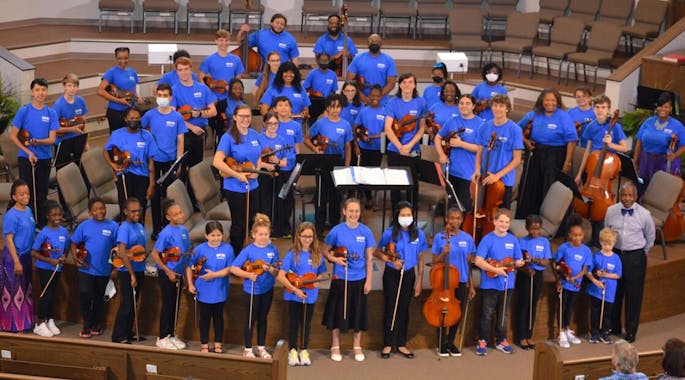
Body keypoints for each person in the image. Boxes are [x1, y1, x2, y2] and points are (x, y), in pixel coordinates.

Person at [322, 198, 375, 362]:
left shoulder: (366, 231)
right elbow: (325, 250)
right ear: (344, 211)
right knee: (338, 310)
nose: (354, 214)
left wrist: (369, 281)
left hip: (359, 278)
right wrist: (334, 259)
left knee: (358, 311)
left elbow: (370, 258)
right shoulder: (337, 231)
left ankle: (357, 345)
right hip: (340, 277)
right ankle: (335, 344)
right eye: (351, 211)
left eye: (357, 211)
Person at [213, 104, 269, 253]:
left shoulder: (254, 134)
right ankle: (236, 254)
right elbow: (217, 162)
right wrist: (237, 175)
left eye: (248, 116)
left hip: (254, 186)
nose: (245, 119)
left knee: (252, 222)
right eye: (242, 116)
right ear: (235, 117)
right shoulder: (228, 137)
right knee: (239, 224)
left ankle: (250, 253)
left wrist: (257, 170)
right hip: (234, 188)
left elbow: (259, 157)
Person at [604, 182, 655, 343]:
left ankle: (631, 331)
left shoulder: (645, 214)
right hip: (616, 255)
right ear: (620, 196)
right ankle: (614, 326)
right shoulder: (611, 211)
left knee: (634, 295)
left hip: (635, 258)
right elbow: (607, 231)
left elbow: (650, 238)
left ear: (635, 197)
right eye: (624, 195)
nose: (626, 198)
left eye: (630, 195)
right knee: (615, 291)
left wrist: (640, 254)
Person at [516, 88, 577, 219]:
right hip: (536, 153)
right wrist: (526, 141)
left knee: (550, 189)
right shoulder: (533, 114)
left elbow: (572, 141)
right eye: (547, 100)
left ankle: (549, 222)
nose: (550, 103)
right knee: (532, 187)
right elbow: (517, 129)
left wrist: (568, 162)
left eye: (553, 100)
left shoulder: (564, 116)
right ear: (541, 101)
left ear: (558, 102)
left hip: (556, 156)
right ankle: (529, 219)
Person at [375, 201, 426, 359]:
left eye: (408, 215)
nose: (406, 217)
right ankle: (388, 344)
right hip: (392, 274)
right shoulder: (389, 233)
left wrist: (419, 281)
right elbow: (378, 252)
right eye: (403, 215)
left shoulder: (419, 234)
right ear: (397, 216)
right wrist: (391, 261)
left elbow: (421, 257)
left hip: (409, 274)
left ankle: (402, 344)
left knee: (404, 309)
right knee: (391, 307)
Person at [474, 208, 524, 356]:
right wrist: (496, 270)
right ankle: (482, 340)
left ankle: (501, 340)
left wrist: (520, 263)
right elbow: (478, 261)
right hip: (489, 284)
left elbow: (517, 260)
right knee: (487, 313)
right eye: (501, 221)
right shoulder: (487, 239)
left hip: (507, 284)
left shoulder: (513, 240)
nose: (504, 224)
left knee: (503, 314)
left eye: (507, 222)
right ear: (495, 222)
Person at [276, 222, 327, 366]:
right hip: (294, 295)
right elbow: (281, 276)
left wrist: (319, 280)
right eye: (304, 236)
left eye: (310, 236)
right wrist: (295, 290)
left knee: (306, 324)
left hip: (310, 295)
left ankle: (304, 350)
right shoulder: (292, 254)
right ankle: (292, 350)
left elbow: (322, 273)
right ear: (298, 236)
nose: (307, 239)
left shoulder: (317, 255)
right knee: (293, 323)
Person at [9, 77, 58, 228]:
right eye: (37, 90)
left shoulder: (51, 113)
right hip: (26, 158)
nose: (40, 93)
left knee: (41, 192)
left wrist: (38, 141)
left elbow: (51, 139)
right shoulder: (24, 111)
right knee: (26, 193)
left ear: (47, 92)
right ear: (32, 92)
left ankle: (40, 223)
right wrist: (28, 151)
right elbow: (13, 135)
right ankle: (26, 222)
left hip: (44, 157)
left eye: (43, 90)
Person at [230, 213, 280, 359]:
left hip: (267, 289)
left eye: (266, 234)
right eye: (260, 234)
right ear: (254, 234)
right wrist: (248, 275)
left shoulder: (273, 250)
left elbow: (276, 271)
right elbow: (234, 268)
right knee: (250, 319)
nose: (264, 237)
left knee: (263, 318)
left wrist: (271, 269)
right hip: (252, 290)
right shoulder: (248, 250)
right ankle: (247, 348)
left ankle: (261, 347)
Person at [141, 83, 187, 239]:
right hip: (155, 161)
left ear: (170, 97)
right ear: (156, 96)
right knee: (155, 195)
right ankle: (156, 227)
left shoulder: (177, 117)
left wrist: (179, 162)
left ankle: (170, 226)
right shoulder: (150, 115)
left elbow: (180, 140)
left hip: (171, 162)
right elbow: (139, 131)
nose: (162, 98)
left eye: (165, 95)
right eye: (159, 95)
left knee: (169, 196)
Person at [431, 207, 476, 357]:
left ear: (462, 220)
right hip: (444, 281)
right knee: (443, 311)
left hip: (461, 280)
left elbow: (468, 263)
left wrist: (471, 285)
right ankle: (442, 342)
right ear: (446, 219)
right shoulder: (440, 237)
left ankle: (451, 342)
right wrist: (443, 252)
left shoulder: (468, 239)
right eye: (451, 218)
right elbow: (434, 261)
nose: (454, 221)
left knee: (456, 312)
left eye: (458, 218)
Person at [70, 197, 118, 338]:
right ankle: (86, 323)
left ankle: (96, 323)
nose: (100, 211)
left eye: (102, 208)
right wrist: (75, 258)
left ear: (106, 208)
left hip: (104, 270)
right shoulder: (84, 226)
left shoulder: (113, 226)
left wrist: (115, 268)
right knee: (85, 294)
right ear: (90, 212)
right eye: (95, 209)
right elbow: (73, 244)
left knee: (98, 298)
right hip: (86, 269)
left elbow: (117, 248)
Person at [305, 93, 353, 234]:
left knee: (336, 197)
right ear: (327, 108)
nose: (335, 110)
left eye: (338, 107)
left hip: (339, 162)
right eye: (332, 107)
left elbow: (348, 147)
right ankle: (319, 227)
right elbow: (307, 139)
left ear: (342, 108)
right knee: (321, 195)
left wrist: (346, 165)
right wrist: (315, 149)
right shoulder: (320, 123)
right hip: (322, 162)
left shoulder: (346, 125)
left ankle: (334, 226)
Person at [171, 56, 217, 196]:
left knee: (195, 168)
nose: (184, 72)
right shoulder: (174, 90)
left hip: (199, 133)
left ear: (191, 69)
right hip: (183, 134)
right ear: (176, 71)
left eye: (186, 69)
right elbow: (174, 116)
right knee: (181, 167)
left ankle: (193, 199)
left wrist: (200, 114)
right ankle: (181, 198)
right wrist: (191, 127)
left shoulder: (202, 88)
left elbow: (213, 111)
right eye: (180, 70)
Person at [186, 221, 235, 354]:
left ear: (223, 235)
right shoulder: (199, 250)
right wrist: (190, 284)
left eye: (218, 235)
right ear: (206, 236)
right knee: (205, 318)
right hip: (204, 290)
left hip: (220, 290)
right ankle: (204, 344)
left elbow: (230, 269)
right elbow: (189, 266)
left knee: (218, 317)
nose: (215, 238)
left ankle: (218, 343)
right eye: (212, 235)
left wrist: (214, 275)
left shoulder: (228, 249)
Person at [103, 107, 157, 224]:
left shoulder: (147, 136)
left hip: (142, 177)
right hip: (123, 175)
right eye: (131, 118)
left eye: (137, 118)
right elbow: (106, 151)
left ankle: (138, 233)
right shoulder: (117, 134)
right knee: (125, 208)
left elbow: (151, 163)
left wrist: (151, 184)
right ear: (125, 119)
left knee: (139, 208)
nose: (134, 120)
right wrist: (113, 165)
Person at [150, 200, 191, 350]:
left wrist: (187, 278)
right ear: (168, 217)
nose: (180, 216)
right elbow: (155, 254)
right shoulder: (165, 233)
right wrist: (168, 271)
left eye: (180, 212)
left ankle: (172, 334)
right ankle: (162, 337)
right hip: (167, 274)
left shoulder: (184, 231)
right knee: (168, 304)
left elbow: (185, 255)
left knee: (176, 304)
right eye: (176, 214)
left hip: (179, 274)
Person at [383, 73, 427, 216]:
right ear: (400, 85)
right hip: (395, 151)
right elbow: (388, 129)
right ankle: (396, 217)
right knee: (395, 186)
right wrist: (400, 147)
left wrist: (409, 146)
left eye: (410, 82)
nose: (407, 85)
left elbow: (421, 128)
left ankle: (410, 217)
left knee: (412, 186)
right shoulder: (392, 102)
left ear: (415, 85)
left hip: (413, 150)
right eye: (404, 82)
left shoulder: (421, 102)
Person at [472, 94, 523, 209]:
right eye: (495, 105)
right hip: (485, 177)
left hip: (504, 181)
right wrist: (477, 169)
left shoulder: (515, 130)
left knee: (501, 216)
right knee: (479, 210)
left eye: (501, 106)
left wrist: (497, 176)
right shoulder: (484, 126)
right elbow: (479, 151)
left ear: (507, 108)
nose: (498, 109)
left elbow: (517, 160)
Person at [435, 93, 483, 212]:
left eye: (467, 103)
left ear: (473, 106)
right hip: (450, 171)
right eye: (461, 103)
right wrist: (441, 154)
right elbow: (437, 138)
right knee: (450, 207)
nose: (464, 106)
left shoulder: (481, 124)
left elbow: (480, 148)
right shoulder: (452, 121)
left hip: (468, 173)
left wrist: (461, 144)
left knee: (464, 207)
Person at [1, 180, 36, 332]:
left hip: (26, 256)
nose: (26, 196)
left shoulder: (28, 210)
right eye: (22, 194)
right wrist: (16, 262)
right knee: (14, 292)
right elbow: (8, 239)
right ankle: (13, 325)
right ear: (14, 197)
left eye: (27, 193)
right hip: (13, 258)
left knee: (25, 290)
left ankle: (26, 322)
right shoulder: (11, 215)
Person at [552, 214, 592, 348]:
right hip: (564, 284)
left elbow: (585, 268)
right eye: (574, 235)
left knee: (570, 308)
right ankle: (561, 333)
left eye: (580, 235)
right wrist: (558, 279)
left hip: (576, 285)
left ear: (583, 235)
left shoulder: (586, 250)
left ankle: (567, 329)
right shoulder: (564, 247)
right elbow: (555, 263)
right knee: (562, 307)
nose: (577, 238)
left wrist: (576, 277)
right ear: (569, 235)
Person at [111, 197, 147, 344]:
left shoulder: (139, 226)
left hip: (139, 268)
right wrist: (132, 274)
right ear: (126, 212)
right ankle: (118, 335)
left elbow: (139, 249)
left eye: (138, 210)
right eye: (133, 211)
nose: (136, 213)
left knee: (134, 303)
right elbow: (122, 253)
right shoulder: (124, 228)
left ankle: (128, 331)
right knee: (127, 304)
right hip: (127, 272)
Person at [31, 200, 68, 337]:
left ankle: (48, 319)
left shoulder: (64, 232)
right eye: (54, 215)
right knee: (46, 295)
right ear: (48, 216)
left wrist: (64, 256)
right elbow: (33, 252)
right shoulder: (44, 233)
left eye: (59, 215)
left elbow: (67, 248)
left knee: (53, 295)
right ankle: (39, 323)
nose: (57, 217)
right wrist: (49, 260)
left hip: (56, 269)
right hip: (45, 268)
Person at [199, 29, 245, 141]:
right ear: (216, 41)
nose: (224, 43)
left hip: (231, 98)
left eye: (226, 40)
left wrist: (233, 89)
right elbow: (201, 78)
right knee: (219, 126)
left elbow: (238, 79)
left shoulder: (235, 59)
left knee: (241, 118)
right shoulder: (209, 59)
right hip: (216, 98)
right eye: (221, 40)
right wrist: (209, 94)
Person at [633, 92, 685, 190]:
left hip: (664, 162)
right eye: (660, 106)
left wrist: (675, 155)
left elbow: (684, 145)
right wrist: (635, 160)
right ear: (657, 108)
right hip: (646, 160)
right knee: (641, 188)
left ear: (670, 109)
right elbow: (639, 142)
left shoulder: (677, 126)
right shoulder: (648, 122)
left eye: (666, 107)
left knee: (659, 191)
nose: (663, 109)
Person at [514, 214, 551, 350]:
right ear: (527, 228)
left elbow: (546, 261)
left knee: (533, 305)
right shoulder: (521, 241)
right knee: (523, 305)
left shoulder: (544, 242)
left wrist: (536, 261)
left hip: (538, 275)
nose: (535, 231)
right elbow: (519, 260)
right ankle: (522, 336)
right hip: (525, 275)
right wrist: (526, 269)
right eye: (532, 229)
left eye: (538, 228)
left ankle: (530, 335)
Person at [575, 95, 629, 186]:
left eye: (603, 107)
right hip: (593, 162)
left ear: (608, 109)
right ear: (593, 109)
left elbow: (625, 148)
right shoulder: (590, 126)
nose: (600, 110)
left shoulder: (615, 126)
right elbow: (587, 151)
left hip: (608, 165)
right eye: (597, 107)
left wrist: (610, 144)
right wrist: (579, 174)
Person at [586, 227, 622, 344]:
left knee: (607, 313)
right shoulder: (596, 256)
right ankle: (594, 333)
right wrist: (598, 274)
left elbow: (618, 275)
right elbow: (590, 271)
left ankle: (605, 333)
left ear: (614, 243)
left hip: (610, 291)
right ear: (601, 242)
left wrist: (606, 275)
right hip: (596, 290)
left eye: (610, 244)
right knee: (595, 312)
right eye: (605, 244)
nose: (608, 246)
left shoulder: (616, 258)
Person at [272, 96, 302, 237]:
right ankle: (275, 227)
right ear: (274, 108)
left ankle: (285, 226)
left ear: (291, 108)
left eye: (286, 105)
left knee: (288, 198)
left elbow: (297, 147)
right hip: (275, 168)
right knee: (276, 197)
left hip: (290, 167)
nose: (283, 108)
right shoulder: (272, 123)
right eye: (280, 105)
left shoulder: (296, 126)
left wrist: (298, 166)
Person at [353, 85, 385, 208]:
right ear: (369, 96)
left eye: (377, 96)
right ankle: (368, 197)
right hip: (364, 148)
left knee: (375, 173)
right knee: (364, 173)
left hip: (378, 149)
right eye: (372, 95)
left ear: (381, 97)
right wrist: (360, 139)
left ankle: (372, 196)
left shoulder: (385, 111)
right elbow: (355, 128)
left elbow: (385, 132)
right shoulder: (363, 111)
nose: (374, 98)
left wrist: (371, 138)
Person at [256, 111, 288, 234]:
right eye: (270, 124)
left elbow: (285, 160)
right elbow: (254, 159)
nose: (273, 126)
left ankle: (275, 229)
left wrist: (278, 161)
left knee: (276, 201)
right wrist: (265, 165)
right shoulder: (258, 138)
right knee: (264, 202)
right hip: (262, 173)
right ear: (265, 124)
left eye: (275, 123)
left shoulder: (282, 139)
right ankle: (262, 229)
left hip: (276, 173)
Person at [347, 34, 397, 104]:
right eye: (371, 41)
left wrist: (376, 97)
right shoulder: (358, 59)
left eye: (376, 41)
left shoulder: (389, 60)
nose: (374, 43)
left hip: (382, 102)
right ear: (367, 43)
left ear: (381, 44)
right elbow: (350, 80)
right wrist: (364, 98)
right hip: (360, 101)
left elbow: (391, 83)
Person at [97, 47, 139, 133]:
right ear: (116, 58)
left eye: (126, 58)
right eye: (120, 58)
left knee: (131, 137)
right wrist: (119, 101)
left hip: (130, 112)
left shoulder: (132, 72)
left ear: (129, 57)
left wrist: (138, 99)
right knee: (117, 140)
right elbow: (100, 91)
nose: (123, 61)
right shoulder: (111, 72)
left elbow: (134, 90)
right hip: (116, 112)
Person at [53, 73, 88, 147]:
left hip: (77, 140)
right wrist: (72, 129)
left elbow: (84, 122)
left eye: (74, 86)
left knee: (77, 159)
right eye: (69, 85)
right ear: (64, 87)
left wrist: (85, 141)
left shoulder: (81, 100)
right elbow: (54, 129)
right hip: (62, 142)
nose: (72, 88)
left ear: (77, 87)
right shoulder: (58, 105)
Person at [304, 53, 338, 123]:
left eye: (326, 60)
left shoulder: (333, 74)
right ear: (318, 61)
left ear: (329, 61)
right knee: (312, 122)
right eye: (322, 60)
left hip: (327, 102)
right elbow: (305, 88)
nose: (324, 62)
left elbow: (334, 90)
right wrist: (315, 93)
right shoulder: (312, 73)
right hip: (314, 101)